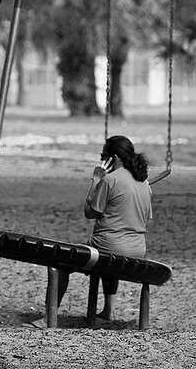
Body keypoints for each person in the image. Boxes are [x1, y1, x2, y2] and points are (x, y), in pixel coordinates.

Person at [56, 135, 153, 321]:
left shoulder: (110, 180)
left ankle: (48, 316)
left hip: (109, 247)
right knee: (111, 258)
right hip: (137, 251)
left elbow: (89, 212)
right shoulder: (145, 184)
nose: (101, 160)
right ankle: (108, 311)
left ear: (113, 158)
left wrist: (96, 179)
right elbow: (139, 217)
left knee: (61, 264)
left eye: (103, 156)